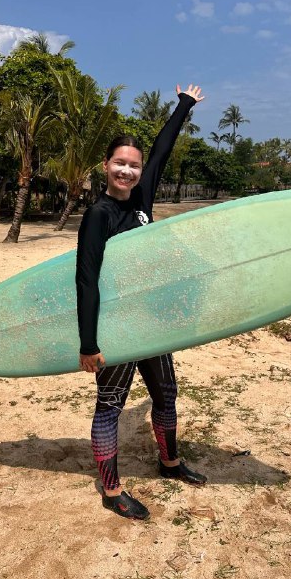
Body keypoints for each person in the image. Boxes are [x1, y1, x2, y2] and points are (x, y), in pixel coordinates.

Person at [76, 83, 207, 520]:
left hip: (152, 323)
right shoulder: (98, 216)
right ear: (106, 166)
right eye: (120, 164)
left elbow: (162, 151)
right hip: (118, 327)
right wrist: (89, 344)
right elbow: (87, 281)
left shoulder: (142, 201)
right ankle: (111, 491)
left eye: (133, 165)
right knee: (110, 404)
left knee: (166, 394)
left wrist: (184, 105)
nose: (128, 172)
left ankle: (168, 462)